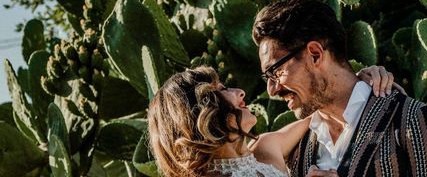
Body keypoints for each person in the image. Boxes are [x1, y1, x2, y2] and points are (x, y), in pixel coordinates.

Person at [252, 0, 427, 177]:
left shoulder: (413, 120)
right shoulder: (299, 148)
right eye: (267, 77)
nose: (272, 89)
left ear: (315, 54)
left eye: (275, 72)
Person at [147, 64, 396, 177]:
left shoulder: (264, 151)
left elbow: (318, 112)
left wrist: (358, 82)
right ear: (200, 114)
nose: (239, 92)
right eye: (221, 91)